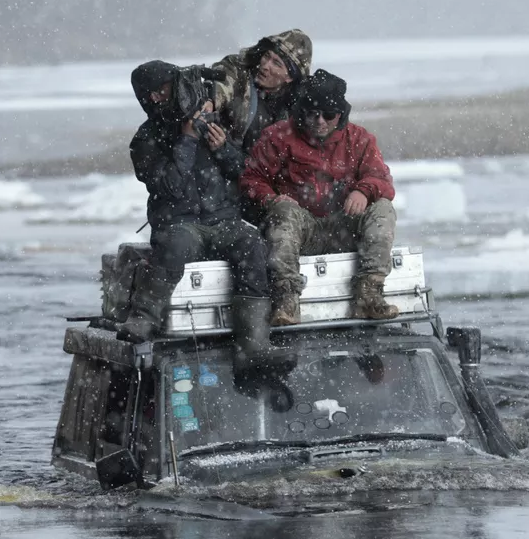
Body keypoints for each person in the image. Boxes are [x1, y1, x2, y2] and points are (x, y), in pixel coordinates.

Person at [119, 60, 273, 371]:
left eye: (161, 91)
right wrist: (187, 140)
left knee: (253, 244)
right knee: (173, 247)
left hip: (222, 221)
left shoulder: (216, 123)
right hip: (180, 223)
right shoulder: (146, 138)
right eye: (148, 96)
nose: (156, 100)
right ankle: (142, 320)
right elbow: (171, 186)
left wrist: (223, 148)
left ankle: (253, 342)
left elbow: (244, 172)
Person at [240, 69, 398, 326]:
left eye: (328, 115)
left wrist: (363, 190)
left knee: (382, 207)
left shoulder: (359, 139)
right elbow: (251, 179)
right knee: (284, 212)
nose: (320, 121)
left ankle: (369, 293)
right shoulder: (278, 137)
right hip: (301, 230)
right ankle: (286, 300)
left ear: (341, 114)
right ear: (301, 111)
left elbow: (381, 179)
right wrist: (270, 199)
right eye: (313, 114)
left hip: (345, 226)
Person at [211, 29, 313, 155]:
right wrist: (212, 100)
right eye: (267, 56)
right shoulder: (239, 72)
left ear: (289, 77)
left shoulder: (293, 110)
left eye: (276, 63)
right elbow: (223, 83)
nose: (265, 66)